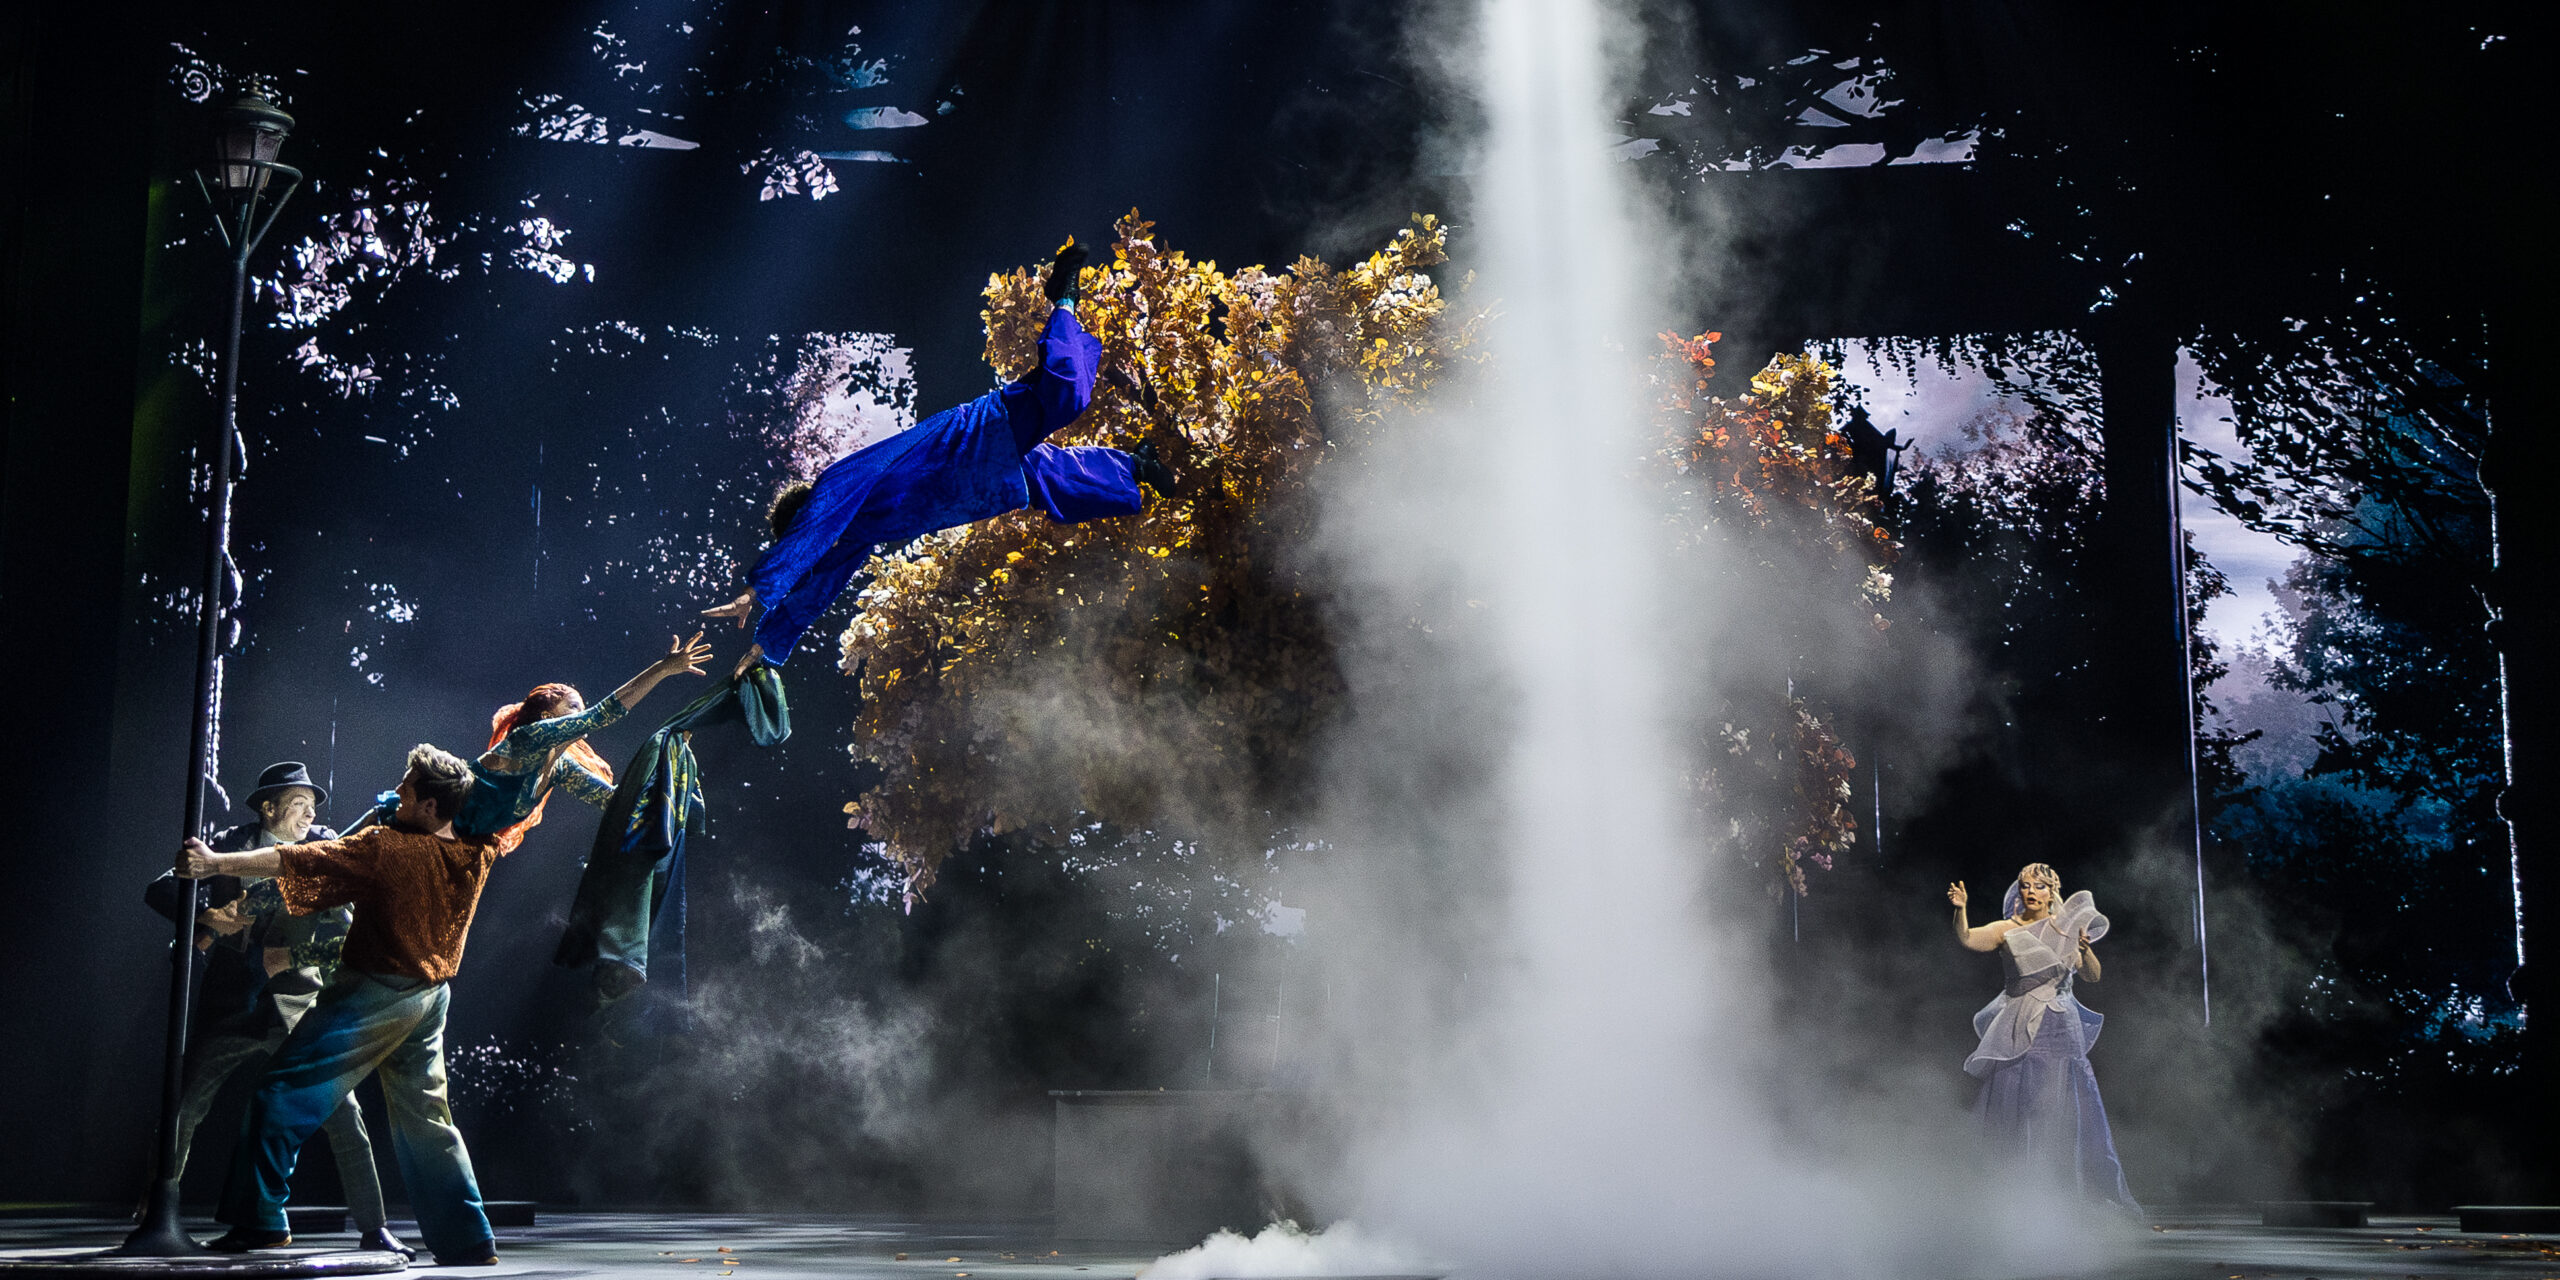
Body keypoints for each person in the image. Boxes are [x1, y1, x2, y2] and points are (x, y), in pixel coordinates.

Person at [702, 241, 1175, 670]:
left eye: (804, 540)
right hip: (974, 488)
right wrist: (768, 644)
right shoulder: (851, 535)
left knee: (1067, 394)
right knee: (1057, 484)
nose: (815, 547)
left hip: (970, 440)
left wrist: (754, 592)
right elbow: (817, 590)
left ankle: (1064, 298)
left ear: (803, 520)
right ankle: (1136, 465)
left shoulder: (835, 487)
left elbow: (813, 527)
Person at [178, 745, 504, 1263]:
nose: (398, 791)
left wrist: (215, 863)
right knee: (427, 1119)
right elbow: (513, 786)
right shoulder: (479, 849)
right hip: (432, 999)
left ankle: (260, 1221)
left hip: (375, 992)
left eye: (409, 787)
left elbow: (296, 859)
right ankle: (468, 1239)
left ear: (429, 807)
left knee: (280, 1092)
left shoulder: (388, 848)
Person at [141, 762, 409, 1256]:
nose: (309, 813)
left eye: (312, 805)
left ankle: (374, 1226)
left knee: (342, 1112)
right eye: (298, 804)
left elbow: (347, 912)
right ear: (269, 808)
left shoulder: (324, 842)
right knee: (185, 1107)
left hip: (297, 1001)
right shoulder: (229, 841)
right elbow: (160, 888)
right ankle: (160, 1214)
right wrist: (206, 916)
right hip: (232, 1003)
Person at [1948, 863, 2138, 1209]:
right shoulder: (2007, 929)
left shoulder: (2066, 928)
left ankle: (2066, 1195)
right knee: (2020, 1104)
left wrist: (2085, 951)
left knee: (2061, 1107)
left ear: (2052, 892)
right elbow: (1967, 938)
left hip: (2061, 1026)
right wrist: (1961, 910)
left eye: (2039, 886)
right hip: (2021, 1024)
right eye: (2025, 886)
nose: (2031, 892)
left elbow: (2093, 976)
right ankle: (2016, 1196)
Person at [448, 632, 713, 848]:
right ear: (547, 715)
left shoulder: (561, 767)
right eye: (574, 706)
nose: (581, 713)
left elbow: (615, 802)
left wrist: (672, 764)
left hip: (458, 856)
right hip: (425, 830)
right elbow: (602, 714)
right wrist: (662, 669)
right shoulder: (528, 738)